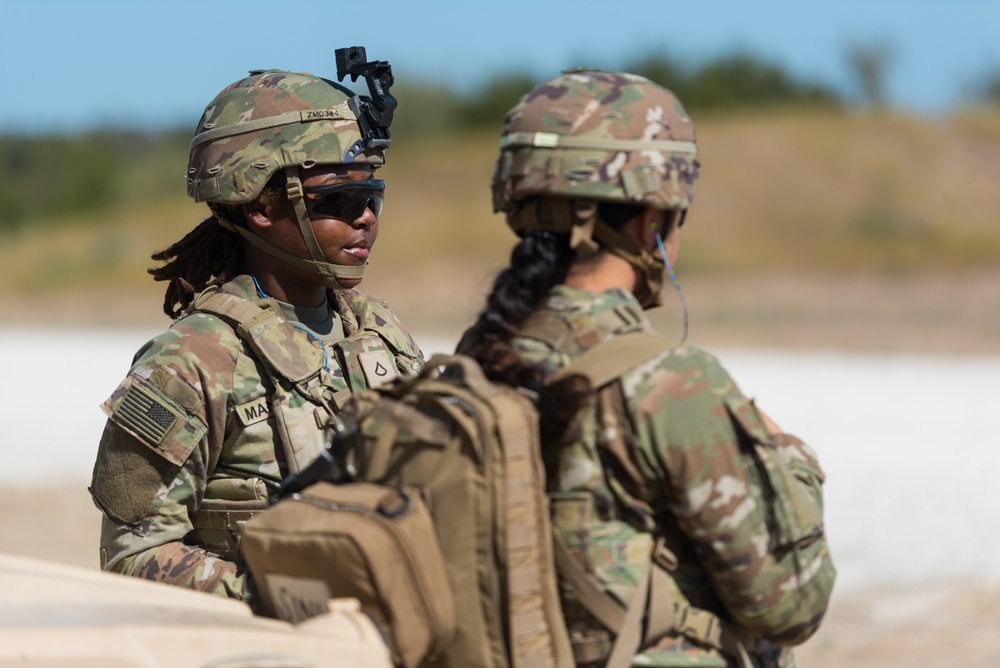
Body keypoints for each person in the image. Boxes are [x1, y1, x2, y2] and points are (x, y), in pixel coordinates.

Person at [457, 70, 835, 667]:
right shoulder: (670, 381)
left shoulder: (474, 359)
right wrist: (787, 457)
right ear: (650, 222)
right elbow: (790, 607)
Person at [89, 48, 424, 605]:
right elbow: (133, 557)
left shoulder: (379, 333)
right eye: (339, 199)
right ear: (260, 207)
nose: (364, 217)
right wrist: (290, 596)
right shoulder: (192, 362)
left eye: (372, 198)